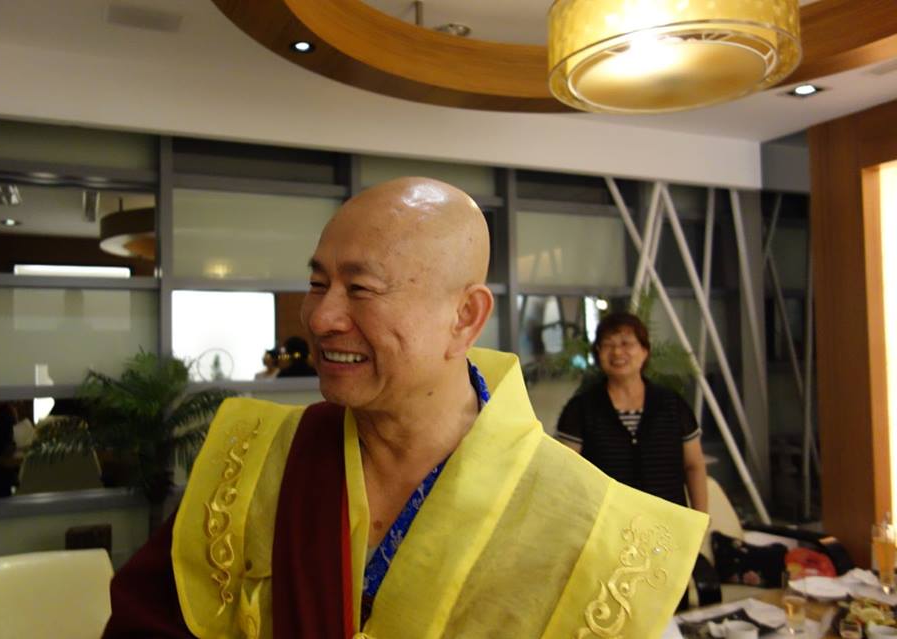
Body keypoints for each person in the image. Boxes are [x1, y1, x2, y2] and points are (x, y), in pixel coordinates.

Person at [103, 178, 708, 638]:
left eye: (361, 289)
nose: (321, 317)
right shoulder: (257, 460)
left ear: (465, 316)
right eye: (317, 284)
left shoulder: (593, 528)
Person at [556, 312, 709, 512]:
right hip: (608, 522)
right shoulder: (580, 409)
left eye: (626, 343)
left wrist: (701, 519)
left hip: (667, 522)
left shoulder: (672, 404)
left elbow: (694, 466)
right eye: (608, 345)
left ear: (645, 350)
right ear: (598, 353)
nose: (617, 352)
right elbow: (567, 473)